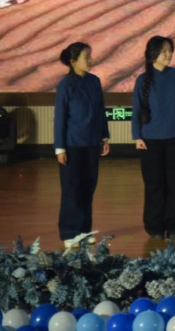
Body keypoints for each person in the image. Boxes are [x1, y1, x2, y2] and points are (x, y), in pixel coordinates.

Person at [131, 36, 175, 241]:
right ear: (153, 55)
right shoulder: (142, 80)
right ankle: (155, 227)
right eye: (164, 51)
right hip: (150, 141)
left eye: (170, 50)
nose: (168, 54)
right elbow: (136, 110)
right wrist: (136, 136)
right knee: (154, 185)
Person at [53, 42, 110, 248]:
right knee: (72, 188)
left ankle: (84, 231)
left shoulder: (94, 81)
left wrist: (104, 137)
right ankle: (70, 232)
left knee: (88, 186)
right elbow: (60, 118)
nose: (90, 60)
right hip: (72, 145)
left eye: (90, 56)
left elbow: (101, 110)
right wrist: (60, 148)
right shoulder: (65, 85)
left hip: (92, 143)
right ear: (73, 61)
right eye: (86, 57)